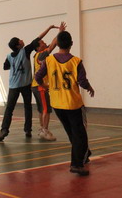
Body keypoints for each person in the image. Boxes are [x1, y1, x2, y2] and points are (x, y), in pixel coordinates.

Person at [35, 31, 94, 176]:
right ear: (71, 43)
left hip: (57, 103)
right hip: (73, 104)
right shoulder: (76, 61)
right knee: (80, 134)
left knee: (71, 132)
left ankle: (84, 153)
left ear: (58, 44)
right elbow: (82, 81)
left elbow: (38, 76)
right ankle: (76, 164)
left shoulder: (49, 60)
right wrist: (89, 88)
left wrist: (44, 85)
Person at [0, 24, 62, 142]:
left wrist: (15, 66)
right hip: (26, 84)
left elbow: (5, 67)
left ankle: (4, 129)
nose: (22, 40)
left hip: (14, 85)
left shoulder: (9, 56)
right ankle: (28, 129)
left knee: (9, 109)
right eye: (20, 40)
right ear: (18, 45)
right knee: (28, 107)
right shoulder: (26, 51)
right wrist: (51, 29)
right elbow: (39, 39)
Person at [32, 22, 66, 141]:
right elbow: (52, 45)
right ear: (38, 48)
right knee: (46, 109)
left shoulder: (36, 56)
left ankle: (42, 129)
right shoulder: (41, 55)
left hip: (35, 86)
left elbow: (51, 45)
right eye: (42, 43)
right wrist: (60, 32)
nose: (44, 43)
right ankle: (45, 130)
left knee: (41, 109)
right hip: (40, 86)